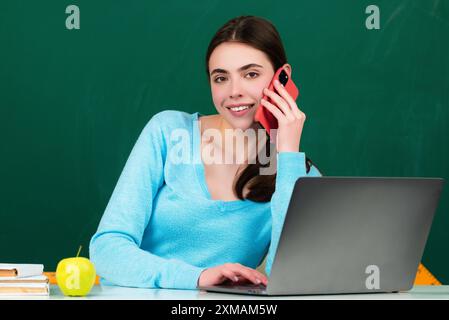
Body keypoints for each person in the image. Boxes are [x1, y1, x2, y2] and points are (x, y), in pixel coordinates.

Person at [89, 15, 322, 290]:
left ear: (281, 78)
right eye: (221, 78)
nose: (234, 91)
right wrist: (197, 277)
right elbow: (106, 249)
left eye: (251, 74)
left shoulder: (295, 173)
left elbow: (289, 278)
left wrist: (287, 153)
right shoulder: (168, 132)